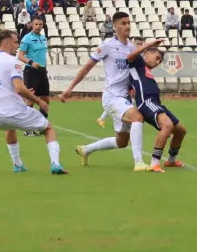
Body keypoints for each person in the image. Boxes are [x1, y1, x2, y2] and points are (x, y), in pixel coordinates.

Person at [59, 12, 149, 172]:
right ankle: (139, 162)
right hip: (112, 97)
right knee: (137, 118)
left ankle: (85, 149)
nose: (127, 26)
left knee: (121, 142)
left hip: (125, 98)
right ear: (115, 26)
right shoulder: (107, 45)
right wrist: (69, 88)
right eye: (123, 23)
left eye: (129, 23)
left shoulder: (132, 48)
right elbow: (86, 68)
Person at [0, 30, 67, 174]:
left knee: (10, 127)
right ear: (7, 42)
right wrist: (39, 101)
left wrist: (24, 94)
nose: (18, 46)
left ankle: (17, 165)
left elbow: (3, 89)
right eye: (16, 42)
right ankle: (55, 164)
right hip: (13, 111)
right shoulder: (12, 61)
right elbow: (19, 87)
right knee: (48, 128)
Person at [126, 41, 187, 172]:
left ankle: (171, 160)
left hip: (156, 103)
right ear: (147, 54)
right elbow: (130, 57)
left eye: (160, 60)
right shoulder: (138, 63)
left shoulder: (146, 70)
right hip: (146, 102)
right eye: (157, 58)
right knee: (167, 125)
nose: (158, 62)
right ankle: (155, 163)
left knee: (181, 131)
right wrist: (149, 44)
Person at [17, 18, 50, 137]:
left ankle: (41, 125)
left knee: (45, 100)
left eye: (40, 24)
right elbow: (20, 56)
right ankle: (27, 128)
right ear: (31, 25)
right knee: (30, 100)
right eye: (36, 24)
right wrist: (31, 62)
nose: (38, 26)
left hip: (42, 71)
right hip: (31, 71)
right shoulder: (27, 38)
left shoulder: (43, 37)